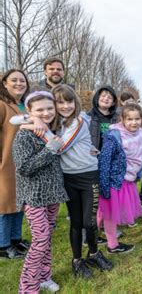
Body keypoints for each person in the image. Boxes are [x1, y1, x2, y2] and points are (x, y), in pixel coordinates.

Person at [50, 85, 112, 278]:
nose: (65, 106)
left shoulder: (78, 121)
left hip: (88, 176)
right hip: (68, 178)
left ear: (75, 103)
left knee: (89, 221)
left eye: (69, 101)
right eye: (60, 102)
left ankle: (93, 253)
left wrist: (44, 133)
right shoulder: (53, 124)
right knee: (75, 222)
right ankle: (77, 261)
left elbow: (60, 148)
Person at [12, 91, 69, 293]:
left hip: (52, 194)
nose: (46, 113)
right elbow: (24, 168)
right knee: (41, 238)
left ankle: (44, 276)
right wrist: (50, 149)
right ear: (30, 111)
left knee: (48, 237)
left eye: (49, 108)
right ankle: (27, 287)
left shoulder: (50, 130)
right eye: (40, 110)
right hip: (33, 196)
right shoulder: (23, 135)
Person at [97, 103, 142, 254]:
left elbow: (140, 156)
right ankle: (112, 245)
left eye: (137, 118)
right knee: (108, 213)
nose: (134, 122)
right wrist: (104, 185)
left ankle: (91, 236)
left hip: (128, 179)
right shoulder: (114, 136)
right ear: (122, 120)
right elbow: (104, 161)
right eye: (129, 119)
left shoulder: (141, 134)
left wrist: (138, 173)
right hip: (114, 181)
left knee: (104, 211)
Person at [0, 69, 30, 260]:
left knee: (19, 202)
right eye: (14, 80)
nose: (19, 83)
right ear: (5, 83)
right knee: (4, 204)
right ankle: (3, 245)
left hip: (22, 163)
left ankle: (15, 239)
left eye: (22, 80)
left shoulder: (23, 106)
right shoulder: (2, 105)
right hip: (6, 163)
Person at [87, 86, 120, 151]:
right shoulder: (88, 117)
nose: (106, 98)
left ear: (113, 102)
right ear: (97, 98)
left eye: (110, 97)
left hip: (111, 156)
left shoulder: (118, 119)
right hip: (92, 156)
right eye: (103, 96)